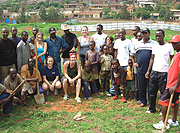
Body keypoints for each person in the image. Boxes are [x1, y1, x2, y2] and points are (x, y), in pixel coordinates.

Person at [153, 35, 180, 130]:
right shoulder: (177, 53)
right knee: (175, 101)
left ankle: (164, 122)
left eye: (176, 43)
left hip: (173, 84)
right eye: (172, 43)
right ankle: (173, 120)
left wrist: (175, 85)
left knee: (164, 102)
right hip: (172, 83)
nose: (173, 45)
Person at [145, 29, 174, 113]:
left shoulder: (169, 46)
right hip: (154, 71)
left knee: (163, 92)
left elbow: (172, 60)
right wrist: (148, 71)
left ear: (163, 36)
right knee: (152, 91)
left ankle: (162, 109)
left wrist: (171, 72)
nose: (158, 38)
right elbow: (152, 59)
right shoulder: (155, 46)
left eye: (159, 36)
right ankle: (152, 108)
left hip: (164, 72)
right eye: (156, 36)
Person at [134, 28, 156, 107]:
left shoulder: (154, 44)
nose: (144, 35)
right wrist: (134, 62)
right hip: (140, 68)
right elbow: (133, 54)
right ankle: (143, 101)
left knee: (151, 87)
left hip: (151, 69)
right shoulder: (138, 44)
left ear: (149, 34)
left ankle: (151, 102)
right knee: (141, 86)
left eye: (146, 33)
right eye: (143, 33)